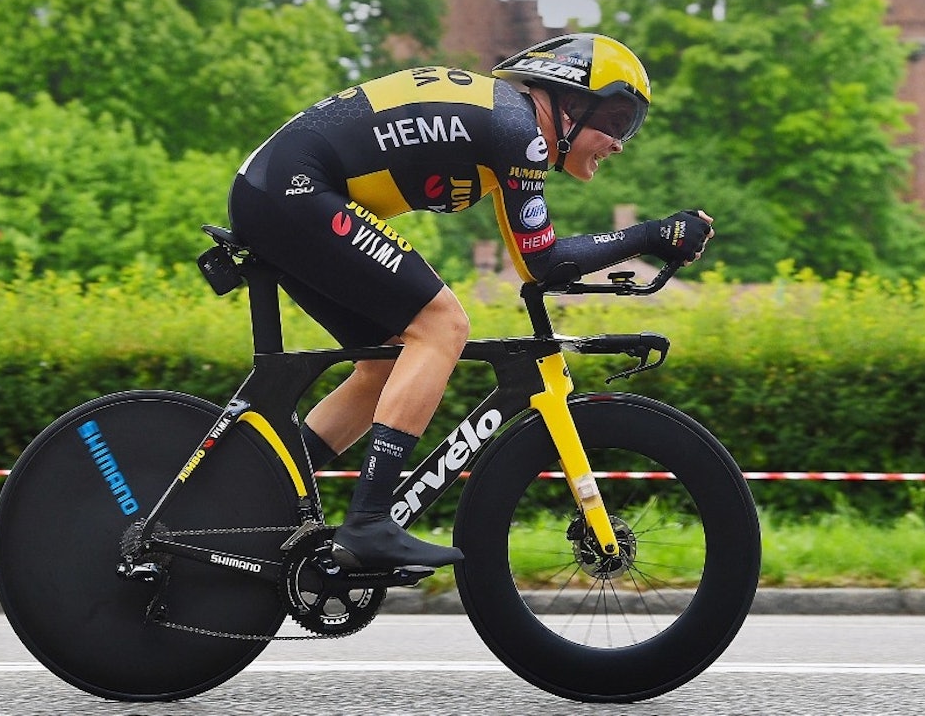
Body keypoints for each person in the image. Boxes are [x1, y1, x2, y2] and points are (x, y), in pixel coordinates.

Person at [227, 33, 714, 570]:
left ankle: (260, 501)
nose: (619, 142)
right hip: (293, 191)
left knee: (382, 364)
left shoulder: (504, 125)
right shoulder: (518, 130)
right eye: (617, 120)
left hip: (275, 191)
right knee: (442, 327)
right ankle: (366, 522)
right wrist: (649, 235)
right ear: (571, 102)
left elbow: (537, 262)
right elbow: (545, 265)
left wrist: (644, 238)